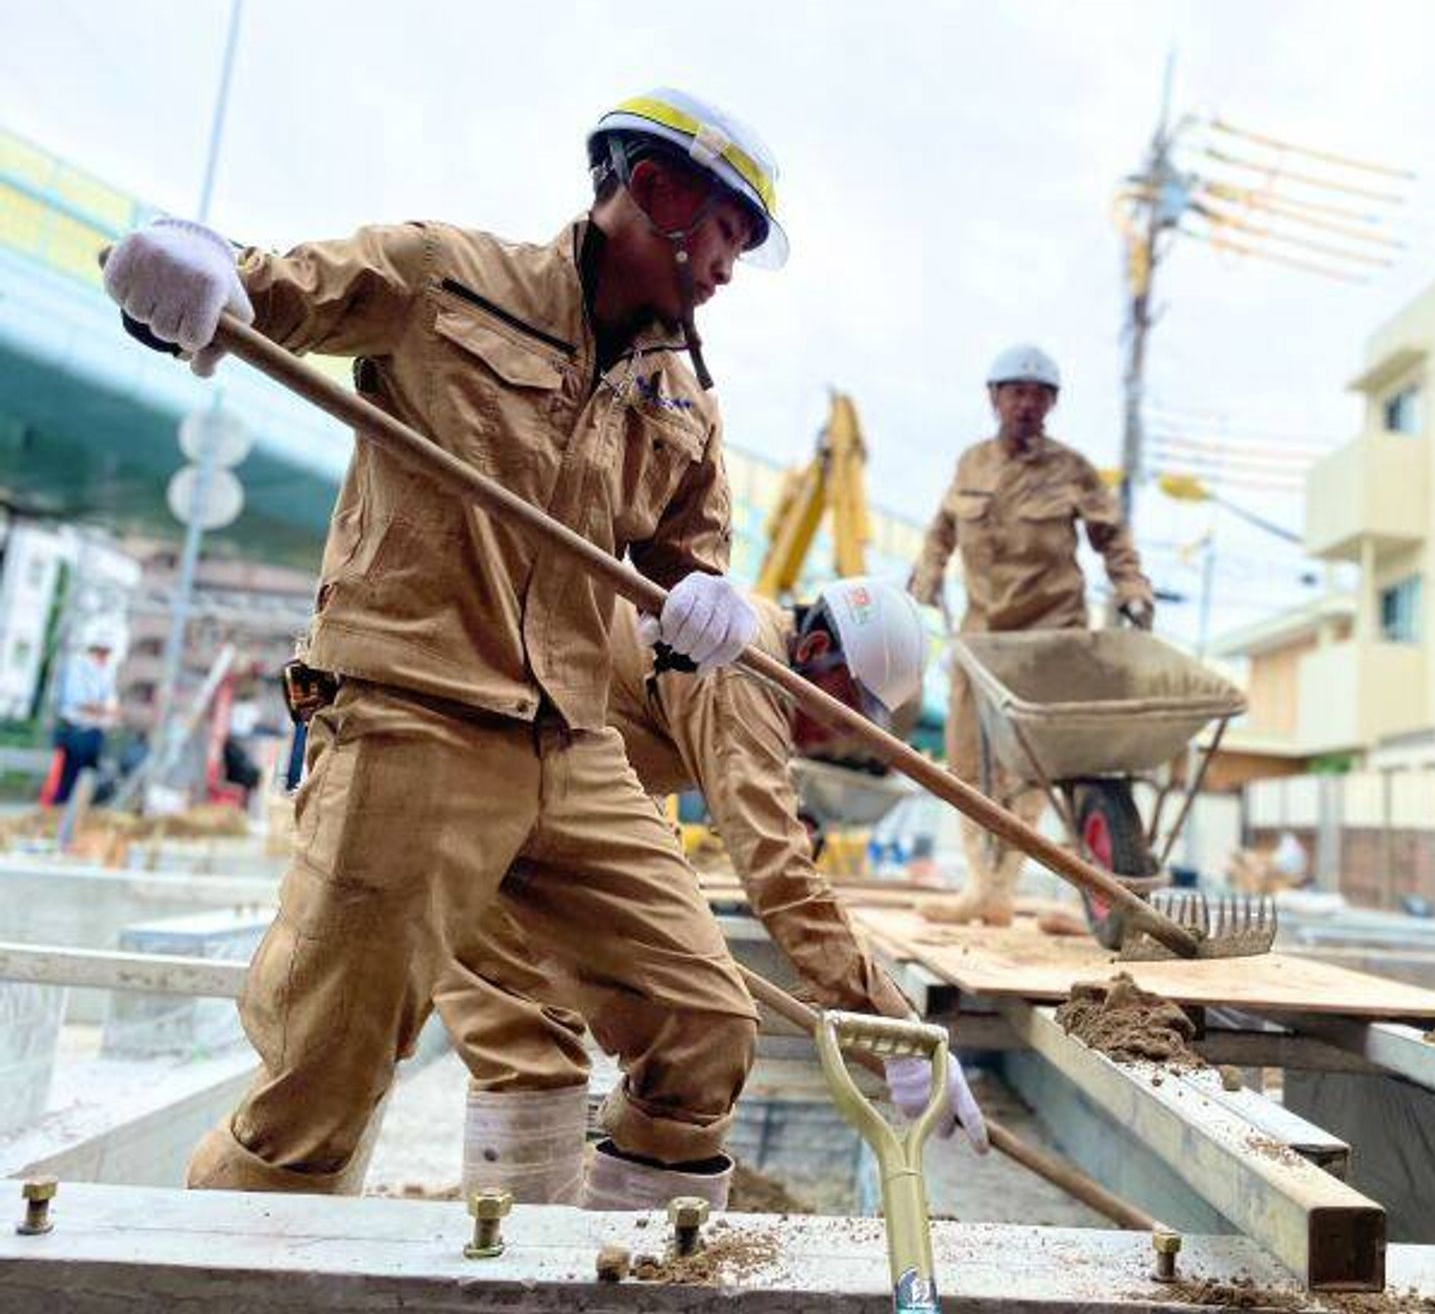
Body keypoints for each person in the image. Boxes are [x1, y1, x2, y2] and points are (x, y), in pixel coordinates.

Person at [100, 89, 826, 1210]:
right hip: (412, 717)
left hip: (570, 744)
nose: (732, 266)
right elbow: (264, 292)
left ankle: (613, 1265)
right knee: (321, 1084)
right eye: (730, 229)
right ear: (660, 191)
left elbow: (688, 558)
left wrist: (709, 607)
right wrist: (182, 270)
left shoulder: (682, 396)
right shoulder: (445, 277)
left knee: (707, 1027)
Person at [434, 578, 988, 1205]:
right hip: (479, 778)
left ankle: (576, 1260)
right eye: (846, 708)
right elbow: (779, 873)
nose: (841, 735)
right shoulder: (744, 667)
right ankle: (538, 1268)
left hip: (536, 789)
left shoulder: (752, 656)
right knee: (531, 1042)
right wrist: (894, 1032)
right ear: (812, 652)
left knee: (616, 1038)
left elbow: (624, 761)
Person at [908, 346, 1153, 926]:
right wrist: (926, 574)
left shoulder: (1072, 469)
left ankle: (1065, 893)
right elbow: (940, 530)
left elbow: (1112, 537)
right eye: (1016, 391)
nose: (1027, 403)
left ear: (1053, 405)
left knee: (1045, 765)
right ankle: (983, 889)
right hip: (981, 638)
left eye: (1039, 394)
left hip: (1051, 637)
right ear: (994, 397)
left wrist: (1133, 588)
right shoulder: (970, 464)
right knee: (968, 763)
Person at [51, 629, 119, 804]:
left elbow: (110, 703)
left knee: (88, 778)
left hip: (94, 731)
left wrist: (103, 709)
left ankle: (75, 810)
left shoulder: (104, 673)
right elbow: (79, 701)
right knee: (70, 778)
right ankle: (60, 810)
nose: (105, 657)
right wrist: (103, 709)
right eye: (103, 652)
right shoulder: (78, 669)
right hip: (77, 731)